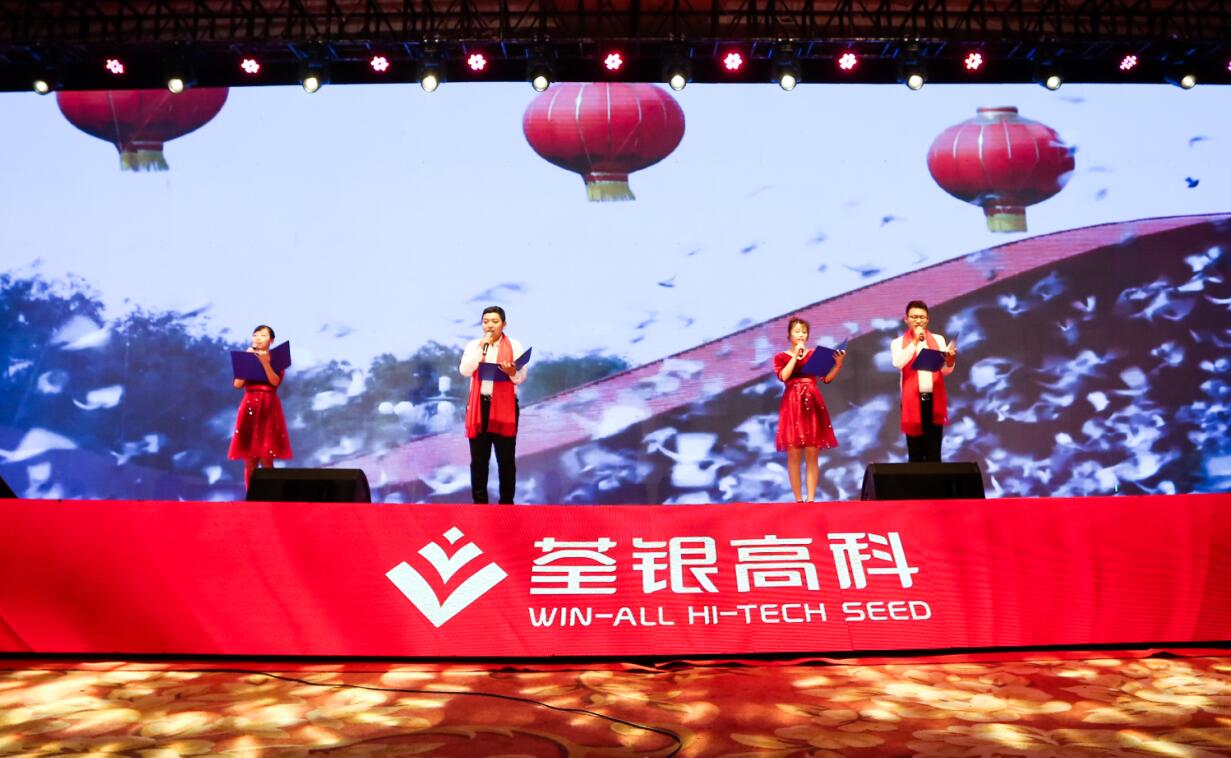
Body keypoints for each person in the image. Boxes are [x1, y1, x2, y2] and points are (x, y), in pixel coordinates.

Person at [459, 306, 528, 504]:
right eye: (486, 321)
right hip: (479, 407)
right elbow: (465, 371)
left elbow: (521, 377)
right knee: (479, 460)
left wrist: (512, 372)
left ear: (504, 324)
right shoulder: (474, 345)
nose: (489, 325)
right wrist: (481, 348)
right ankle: (480, 504)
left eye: (495, 321)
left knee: (505, 459)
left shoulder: (514, 345)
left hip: (505, 407)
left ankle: (506, 504)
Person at [773, 317, 844, 502]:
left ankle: (811, 499)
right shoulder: (780, 357)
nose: (801, 335)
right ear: (789, 335)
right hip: (792, 404)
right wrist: (795, 356)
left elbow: (826, 379)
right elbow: (783, 376)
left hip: (812, 402)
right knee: (794, 453)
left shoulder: (814, 355)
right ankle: (798, 499)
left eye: (804, 332)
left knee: (812, 452)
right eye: (797, 331)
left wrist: (837, 365)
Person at [890, 301, 957, 462]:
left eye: (922, 317)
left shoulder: (938, 339)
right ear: (906, 319)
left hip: (933, 399)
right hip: (911, 400)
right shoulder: (898, 342)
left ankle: (935, 478)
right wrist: (914, 342)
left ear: (927, 320)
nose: (918, 321)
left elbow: (945, 371)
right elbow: (898, 363)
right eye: (914, 317)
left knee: (934, 450)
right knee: (915, 451)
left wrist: (950, 361)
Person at [228, 324, 292, 487]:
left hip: (268, 406)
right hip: (250, 405)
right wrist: (247, 362)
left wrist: (265, 362)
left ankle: (271, 495)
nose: (258, 338)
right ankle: (251, 495)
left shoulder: (277, 359)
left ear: (271, 340)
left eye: (263, 335)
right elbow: (237, 384)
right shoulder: (246, 357)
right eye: (255, 335)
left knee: (266, 457)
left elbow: (275, 381)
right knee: (250, 458)